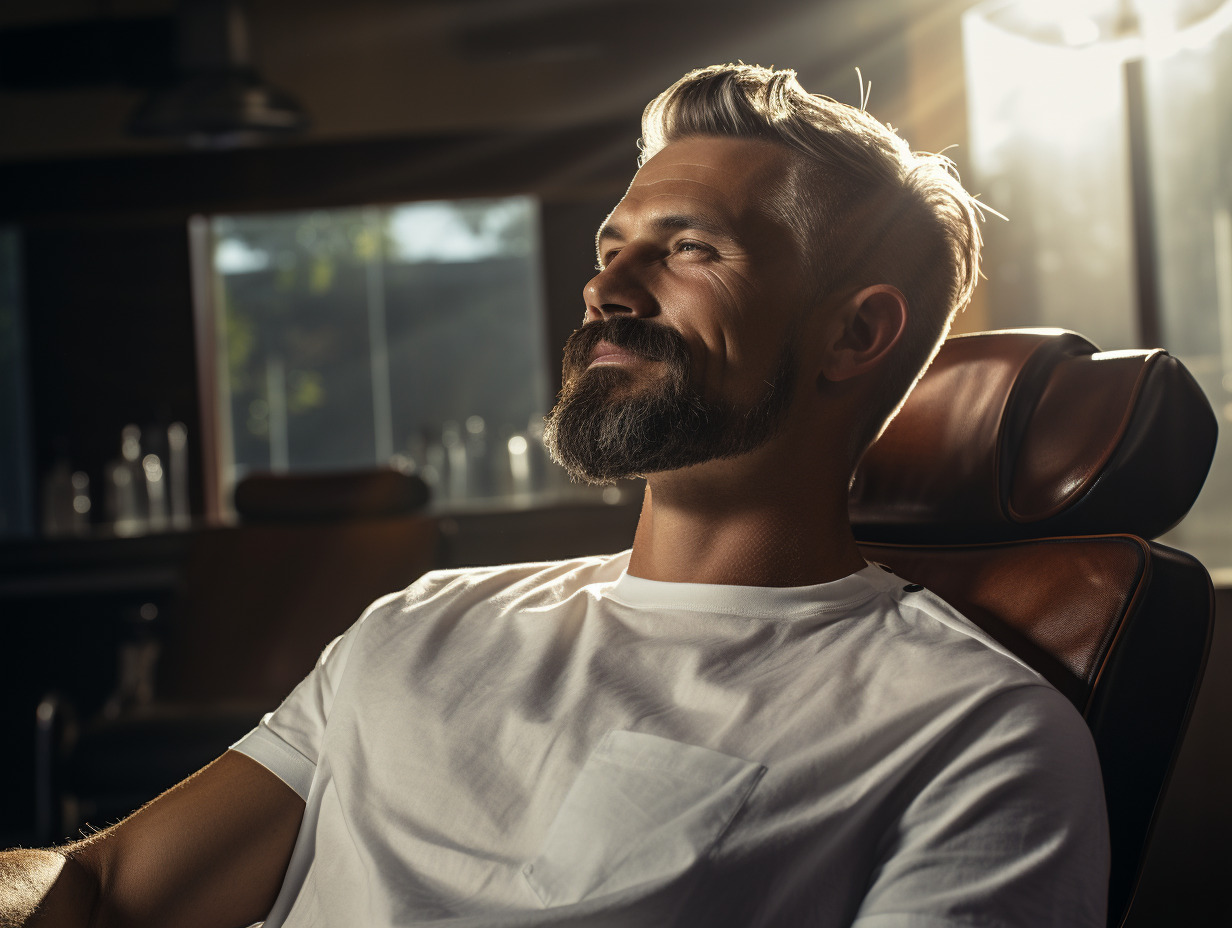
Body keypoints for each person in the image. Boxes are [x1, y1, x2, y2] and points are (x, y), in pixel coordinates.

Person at [1, 63, 1108, 927]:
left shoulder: (972, 731)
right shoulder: (422, 622)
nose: (605, 290)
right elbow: (104, 891)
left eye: (689, 251)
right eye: (609, 247)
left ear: (855, 333)